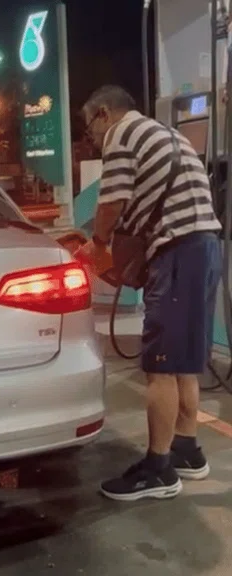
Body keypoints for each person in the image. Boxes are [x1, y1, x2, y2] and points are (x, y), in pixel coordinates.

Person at [78, 85, 222, 501]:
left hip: (177, 251)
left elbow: (111, 202)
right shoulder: (167, 134)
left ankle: (158, 470)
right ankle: (186, 449)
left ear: (103, 113)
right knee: (182, 362)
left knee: (160, 366)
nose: (93, 138)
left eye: (89, 128)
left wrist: (97, 245)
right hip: (203, 246)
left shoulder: (122, 133)